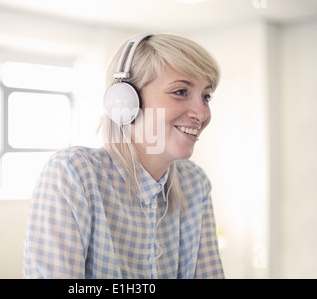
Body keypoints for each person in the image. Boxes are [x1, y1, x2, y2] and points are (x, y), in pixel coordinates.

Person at [23, 33, 224, 279]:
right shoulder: (74, 174)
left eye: (206, 96)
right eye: (181, 91)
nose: (201, 113)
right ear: (124, 101)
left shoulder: (195, 183)